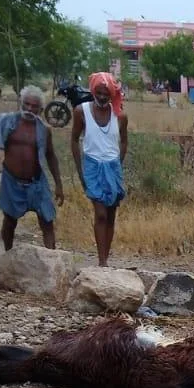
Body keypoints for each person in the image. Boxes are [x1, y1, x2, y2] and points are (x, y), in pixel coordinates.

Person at [0, 86, 64, 251]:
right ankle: (8, 254)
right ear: (21, 103)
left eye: (34, 106)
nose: (29, 109)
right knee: (10, 221)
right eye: (27, 104)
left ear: (41, 109)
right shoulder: (7, 122)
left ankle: (52, 260)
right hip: (11, 181)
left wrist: (58, 185)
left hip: (37, 182)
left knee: (47, 221)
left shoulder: (44, 130)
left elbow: (51, 156)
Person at [71, 72, 128, 267]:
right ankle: (101, 261)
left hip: (112, 167)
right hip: (93, 166)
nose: (102, 97)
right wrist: (80, 171)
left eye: (106, 93)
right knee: (101, 214)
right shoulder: (81, 111)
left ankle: (106, 258)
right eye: (99, 92)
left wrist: (118, 164)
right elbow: (74, 139)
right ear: (93, 91)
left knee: (111, 215)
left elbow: (124, 141)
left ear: (112, 94)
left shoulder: (119, 115)